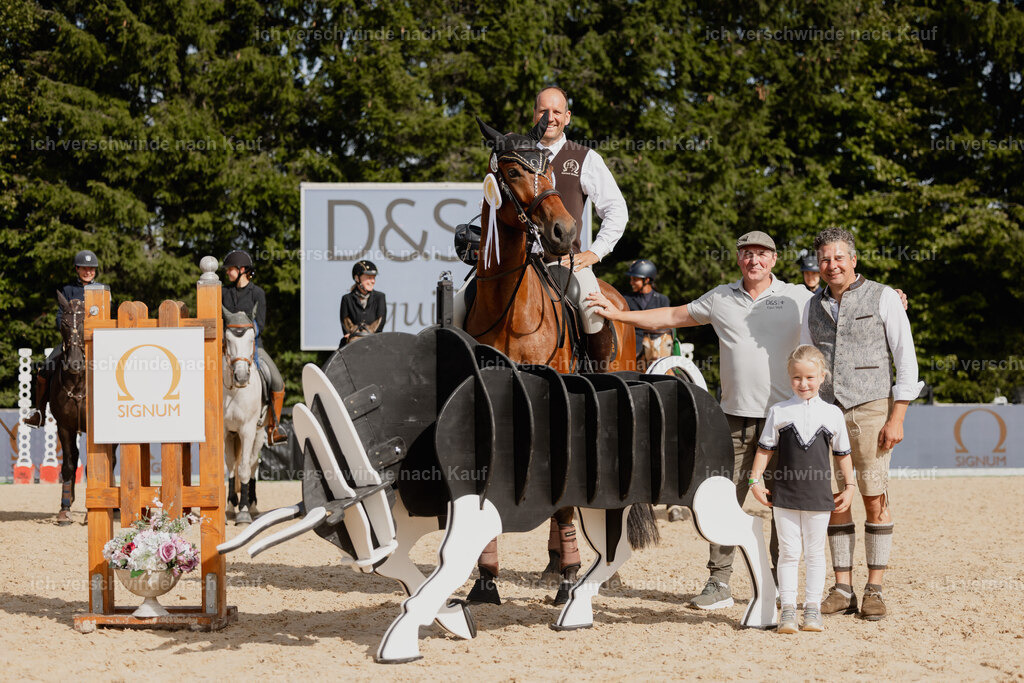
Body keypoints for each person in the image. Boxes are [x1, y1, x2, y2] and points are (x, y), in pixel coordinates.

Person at [587, 231, 812, 609]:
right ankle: (718, 582)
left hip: (784, 420)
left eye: (761, 254)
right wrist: (618, 314)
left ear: (774, 259)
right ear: (738, 259)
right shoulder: (720, 297)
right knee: (723, 505)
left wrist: (891, 298)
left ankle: (778, 583)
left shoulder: (798, 297)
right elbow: (672, 316)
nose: (754, 260)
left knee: (784, 505)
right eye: (747, 254)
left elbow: (842, 298)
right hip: (733, 421)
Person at [800, 227, 922, 621]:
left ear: (853, 260)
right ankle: (842, 589)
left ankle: (875, 589)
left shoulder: (884, 296)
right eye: (825, 258)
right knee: (835, 500)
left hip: (871, 408)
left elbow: (905, 359)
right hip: (825, 411)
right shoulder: (811, 306)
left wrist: (897, 416)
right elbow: (807, 360)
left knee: (874, 498)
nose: (831, 264)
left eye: (839, 257)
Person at [749, 344, 856, 633]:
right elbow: (765, 450)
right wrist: (754, 481)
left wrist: (850, 486)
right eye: (797, 377)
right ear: (789, 377)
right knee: (788, 552)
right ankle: (787, 611)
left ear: (822, 377)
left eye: (810, 377)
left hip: (819, 496)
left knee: (815, 553)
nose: (803, 383)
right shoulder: (779, 411)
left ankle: (812, 610)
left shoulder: (833, 414)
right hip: (784, 494)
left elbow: (843, 454)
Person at [534, 86, 630, 365]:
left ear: (567, 117)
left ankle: (596, 379)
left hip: (564, 264)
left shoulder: (585, 157)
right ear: (534, 114)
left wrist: (595, 253)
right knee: (457, 305)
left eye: (556, 111)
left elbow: (617, 210)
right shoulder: (517, 154)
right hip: (517, 263)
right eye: (543, 111)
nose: (549, 117)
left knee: (592, 313)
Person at [22, 250, 103, 428]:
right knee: (44, 371)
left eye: (91, 269)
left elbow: (107, 316)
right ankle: (39, 413)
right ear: (77, 269)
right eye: (84, 268)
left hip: (97, 341)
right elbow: (60, 317)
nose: (88, 272)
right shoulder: (67, 290)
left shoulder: (102, 290)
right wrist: (70, 335)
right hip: (71, 341)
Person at [221, 250, 286, 445]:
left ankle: (274, 428)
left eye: (230, 269)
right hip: (227, 349)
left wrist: (244, 334)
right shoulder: (223, 292)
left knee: (278, 382)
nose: (228, 272)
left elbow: (261, 324)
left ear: (242, 270)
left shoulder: (257, 293)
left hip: (253, 347)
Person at [622, 259, 672, 370]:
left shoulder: (662, 300)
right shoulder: (626, 299)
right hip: (633, 345)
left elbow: (667, 327)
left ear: (647, 280)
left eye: (635, 279)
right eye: (631, 279)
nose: (631, 283)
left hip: (657, 346)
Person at [339, 259, 387, 347]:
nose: (373, 281)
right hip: (353, 342)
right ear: (357, 278)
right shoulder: (347, 299)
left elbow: (380, 324)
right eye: (369, 278)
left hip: (373, 341)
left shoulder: (380, 297)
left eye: (374, 278)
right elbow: (345, 325)